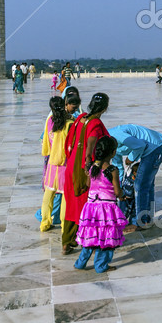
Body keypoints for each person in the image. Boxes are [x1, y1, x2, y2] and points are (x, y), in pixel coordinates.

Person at [62, 92, 110, 253]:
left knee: (72, 206)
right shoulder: (95, 123)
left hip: (71, 168)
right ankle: (89, 242)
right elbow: (90, 147)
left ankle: (67, 242)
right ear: (105, 107)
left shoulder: (80, 118)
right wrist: (89, 170)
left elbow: (69, 141)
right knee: (86, 207)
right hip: (83, 170)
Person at [74, 136, 127, 273]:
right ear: (113, 153)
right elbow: (116, 191)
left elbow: (88, 184)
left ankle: (80, 263)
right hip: (106, 209)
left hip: (91, 207)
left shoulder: (91, 167)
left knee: (90, 236)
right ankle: (101, 265)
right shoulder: (112, 170)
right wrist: (122, 195)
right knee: (107, 237)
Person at [106, 123, 162, 228]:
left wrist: (131, 158)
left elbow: (140, 145)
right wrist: (119, 187)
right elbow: (118, 168)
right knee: (147, 185)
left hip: (155, 147)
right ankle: (147, 218)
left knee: (140, 185)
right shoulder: (110, 146)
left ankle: (140, 222)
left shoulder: (116, 135)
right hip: (152, 149)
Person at [40, 96, 74, 231]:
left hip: (52, 163)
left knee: (48, 195)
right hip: (66, 164)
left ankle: (45, 223)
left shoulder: (49, 121)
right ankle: (64, 225)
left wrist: (48, 153)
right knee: (66, 196)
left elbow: (46, 142)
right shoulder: (70, 122)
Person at [120, 160, 139, 225]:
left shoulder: (138, 180)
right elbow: (127, 165)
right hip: (125, 198)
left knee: (134, 212)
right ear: (134, 172)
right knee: (123, 212)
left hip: (133, 198)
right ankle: (121, 223)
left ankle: (133, 223)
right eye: (138, 172)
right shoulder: (128, 174)